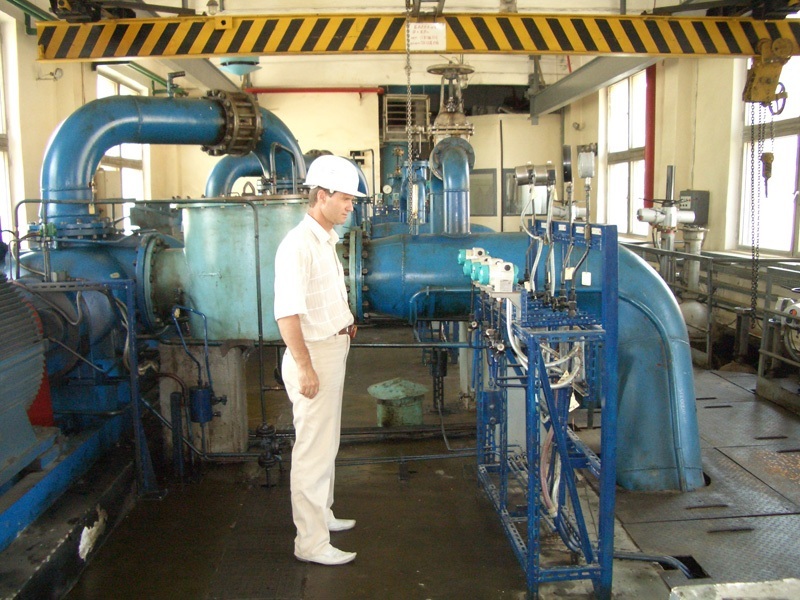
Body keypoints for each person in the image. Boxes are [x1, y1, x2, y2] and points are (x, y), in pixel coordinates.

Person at [273, 155, 365, 566]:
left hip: (332, 347)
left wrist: (345, 321)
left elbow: (321, 296)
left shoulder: (325, 239)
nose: (350, 207)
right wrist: (305, 366)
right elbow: (287, 314)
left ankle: (322, 515)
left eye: (352, 200)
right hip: (312, 356)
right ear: (322, 195)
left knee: (327, 443)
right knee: (312, 450)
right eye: (345, 199)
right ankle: (310, 542)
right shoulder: (297, 246)